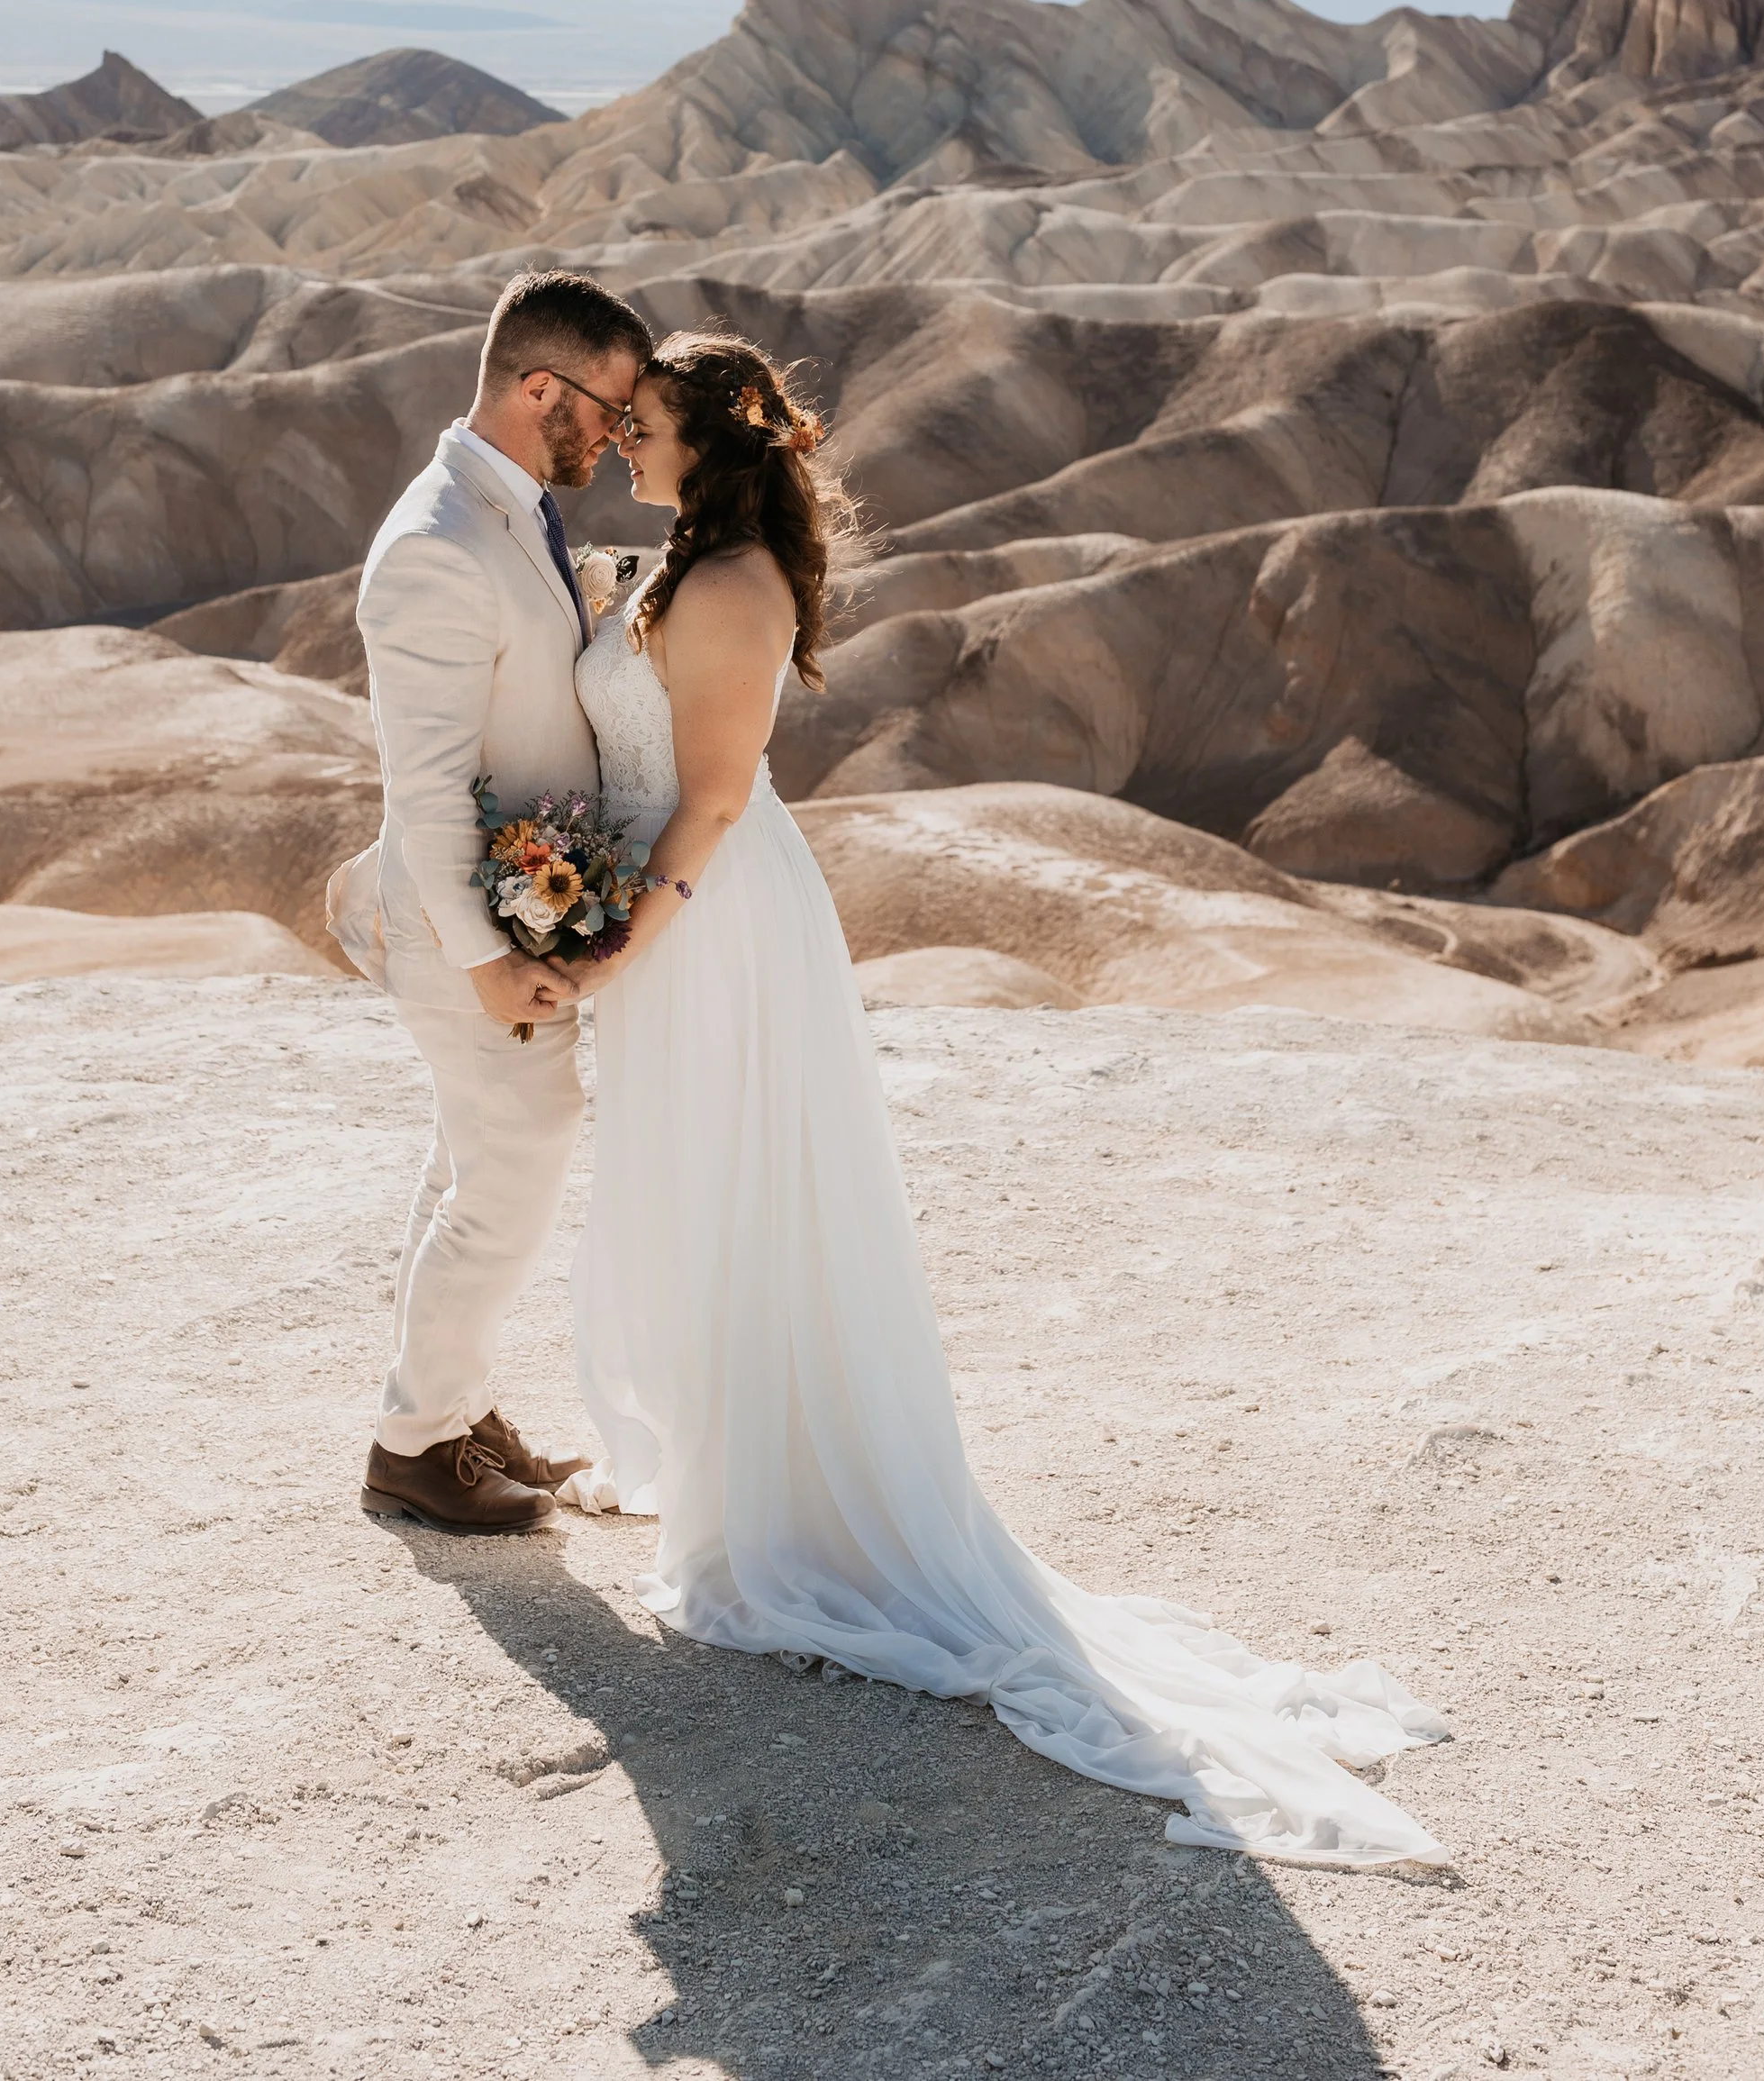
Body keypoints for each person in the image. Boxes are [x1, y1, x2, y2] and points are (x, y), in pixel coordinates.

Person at [563, 328, 1451, 1867]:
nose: (620, 441)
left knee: (742, 1193)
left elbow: (708, 795)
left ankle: (778, 1516)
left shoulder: (724, 585)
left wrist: (608, 943)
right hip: (677, 914)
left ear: (704, 439)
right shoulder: (685, 566)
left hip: (706, 919)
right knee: (699, 1190)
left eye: (639, 421)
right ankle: (733, 1480)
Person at [330, 266, 650, 1533]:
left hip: (512, 906)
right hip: (468, 922)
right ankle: (413, 1443)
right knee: (515, 1166)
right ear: (537, 389)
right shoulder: (434, 547)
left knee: (474, 1156)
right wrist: (481, 955)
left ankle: (452, 1409)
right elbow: (423, 785)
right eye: (608, 410)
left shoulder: (503, 507)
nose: (618, 438)